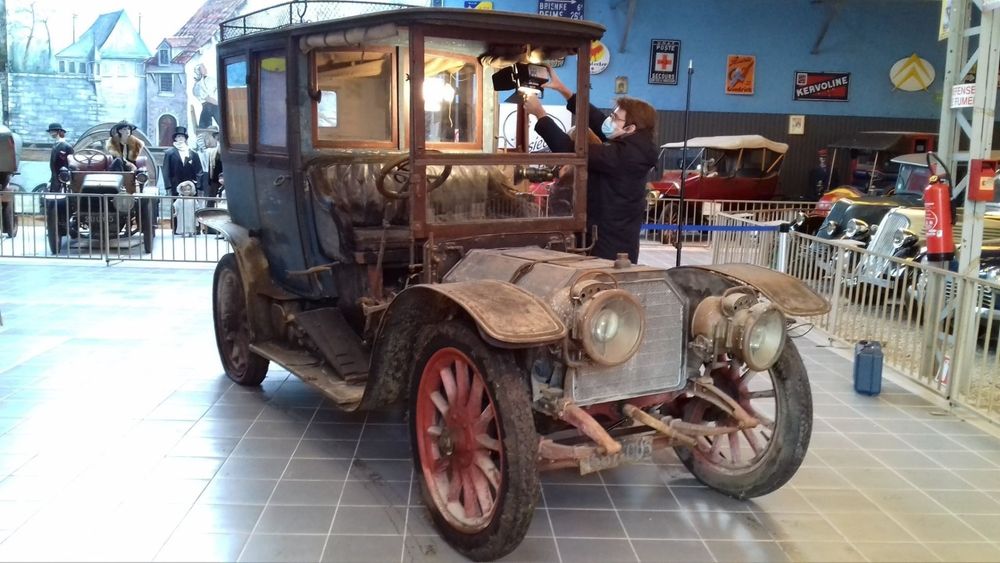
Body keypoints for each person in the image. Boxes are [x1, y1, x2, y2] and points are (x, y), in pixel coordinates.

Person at [523, 67, 658, 263]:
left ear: (630, 128)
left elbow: (570, 149)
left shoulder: (624, 156)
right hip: (613, 238)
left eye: (615, 118)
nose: (609, 120)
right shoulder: (635, 145)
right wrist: (564, 91)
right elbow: (598, 120)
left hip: (609, 245)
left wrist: (540, 114)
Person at [162, 126, 203, 197]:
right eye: (178, 136)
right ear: (175, 138)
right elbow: (166, 170)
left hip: (190, 185)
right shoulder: (169, 153)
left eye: (182, 136)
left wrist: (199, 185)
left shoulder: (193, 153)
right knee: (177, 202)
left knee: (191, 202)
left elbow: (199, 170)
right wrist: (168, 186)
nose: (180, 138)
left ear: (185, 138)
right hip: (175, 184)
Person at [192, 63, 221, 129]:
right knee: (210, 108)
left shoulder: (209, 79)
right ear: (199, 71)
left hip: (212, 105)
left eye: (205, 68)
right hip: (209, 105)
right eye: (203, 68)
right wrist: (218, 104)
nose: (205, 69)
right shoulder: (198, 85)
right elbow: (206, 98)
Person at [46, 123, 73, 190]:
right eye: (50, 132)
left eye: (52, 131)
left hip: (63, 177)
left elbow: (70, 163)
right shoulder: (56, 145)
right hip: (56, 177)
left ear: (58, 132)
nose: (50, 133)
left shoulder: (66, 146)